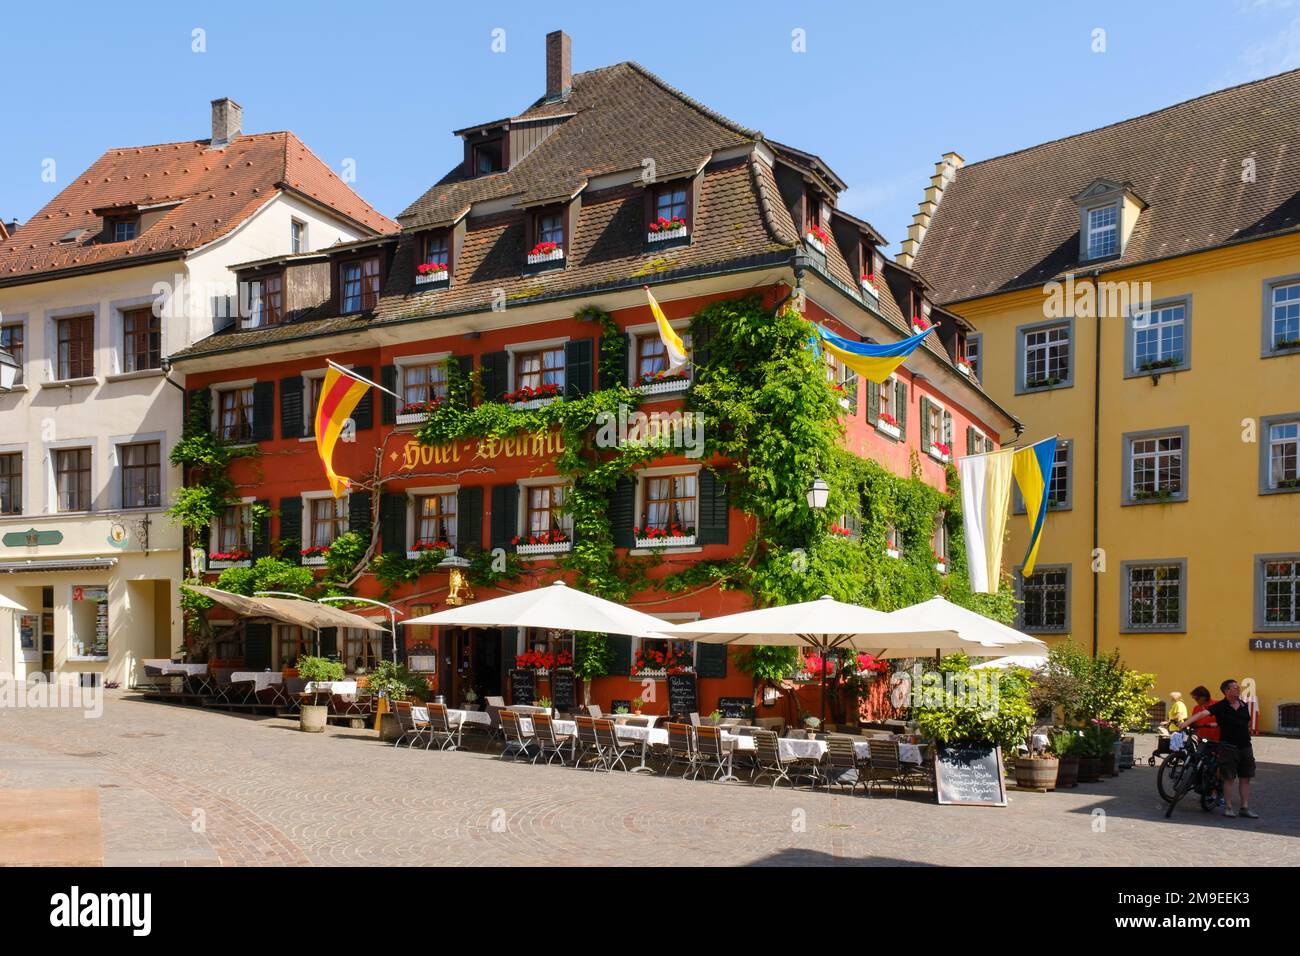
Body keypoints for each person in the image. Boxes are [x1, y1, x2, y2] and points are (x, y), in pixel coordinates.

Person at [1177, 679, 1257, 819]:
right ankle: (1228, 807)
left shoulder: (1243, 705)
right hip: (1229, 746)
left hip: (1245, 746)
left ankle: (1244, 807)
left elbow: (1245, 722)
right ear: (1226, 691)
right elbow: (1202, 715)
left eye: (1238, 687)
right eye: (1235, 688)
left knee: (1246, 777)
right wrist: (1186, 723)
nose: (1238, 689)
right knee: (1229, 778)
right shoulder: (1220, 706)